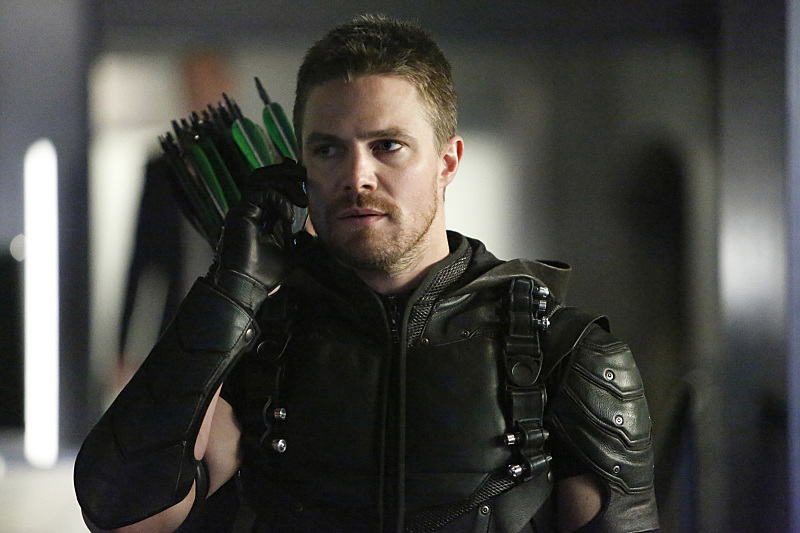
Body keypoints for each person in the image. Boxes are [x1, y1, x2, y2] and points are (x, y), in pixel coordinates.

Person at [74, 14, 659, 533]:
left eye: (388, 146)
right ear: (301, 166)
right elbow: (124, 514)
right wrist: (232, 291)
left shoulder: (563, 354)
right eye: (328, 150)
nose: (357, 177)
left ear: (447, 161)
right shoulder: (258, 351)